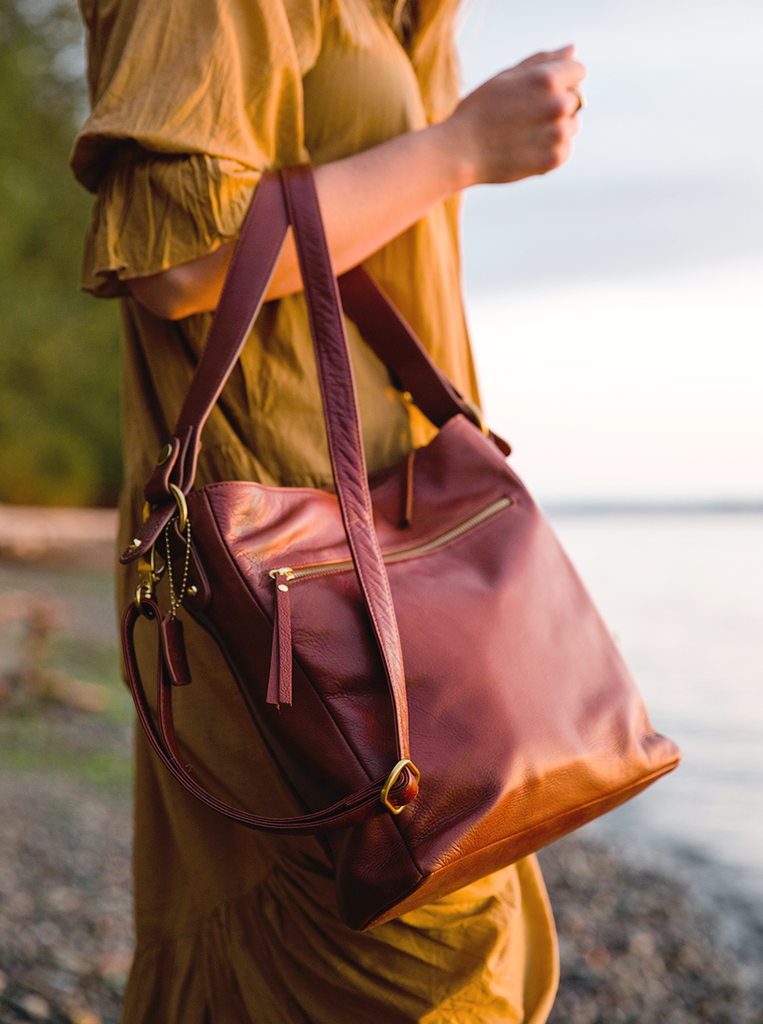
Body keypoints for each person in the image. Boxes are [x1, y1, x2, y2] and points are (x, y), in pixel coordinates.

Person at [72, 0, 585, 1020]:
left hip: (395, 562)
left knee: (442, 925)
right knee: (400, 958)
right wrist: (459, 148)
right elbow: (181, 259)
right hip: (283, 575)